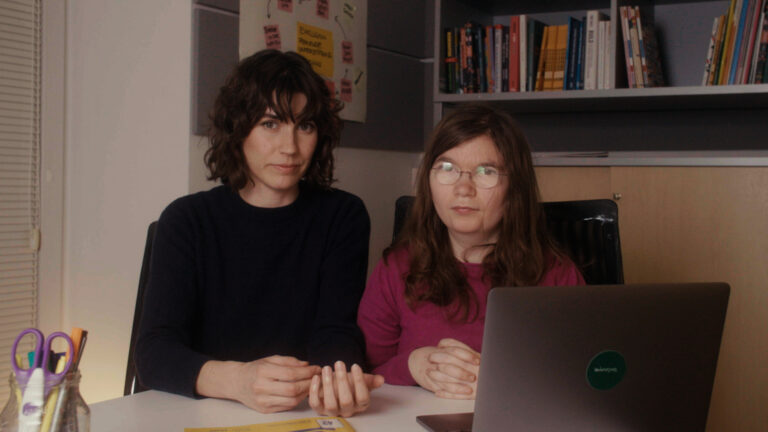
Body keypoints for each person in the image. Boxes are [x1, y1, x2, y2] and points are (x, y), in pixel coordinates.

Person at [135, 49, 383, 417]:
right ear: (238, 130)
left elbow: (337, 331)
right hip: (199, 413)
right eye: (271, 124)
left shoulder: (343, 216)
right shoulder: (186, 220)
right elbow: (154, 352)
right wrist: (237, 381)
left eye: (305, 126)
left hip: (300, 412)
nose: (290, 147)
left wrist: (339, 378)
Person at [357, 104, 584, 400]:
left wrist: (505, 383)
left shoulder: (556, 274)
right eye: (447, 168)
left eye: (485, 171)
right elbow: (364, 371)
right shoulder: (395, 268)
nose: (463, 188)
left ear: (514, 187)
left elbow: (581, 377)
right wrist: (413, 365)